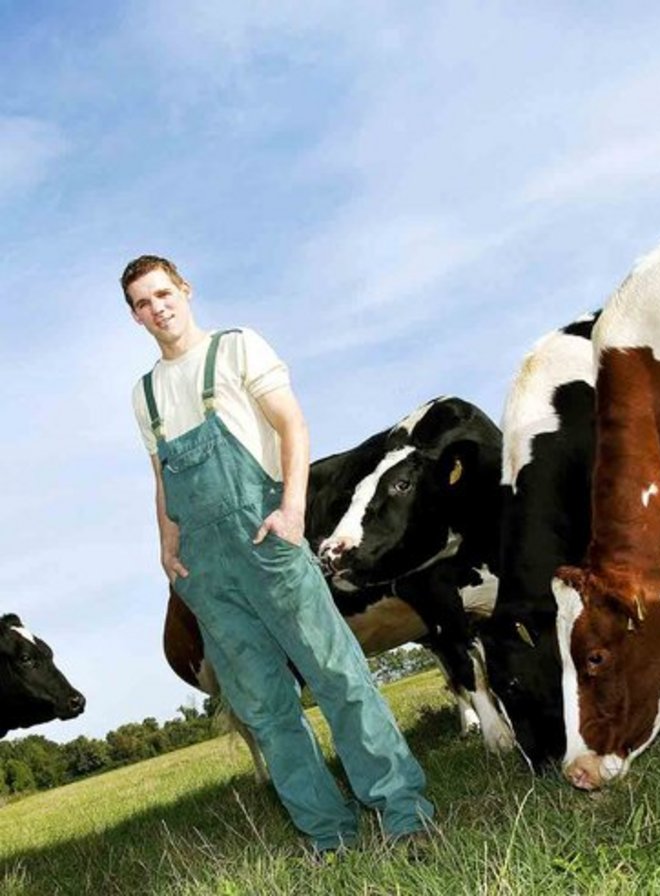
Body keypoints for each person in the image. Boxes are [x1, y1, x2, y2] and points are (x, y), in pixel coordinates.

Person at [124, 255, 434, 856]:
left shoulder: (237, 348)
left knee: (338, 676)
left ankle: (403, 814)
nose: (156, 308)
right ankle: (328, 835)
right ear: (135, 317)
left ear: (184, 290)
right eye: (142, 302)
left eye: (163, 293)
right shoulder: (144, 396)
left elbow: (292, 425)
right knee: (265, 710)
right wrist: (166, 542)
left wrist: (293, 511)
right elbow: (161, 477)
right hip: (207, 570)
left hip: (268, 541)